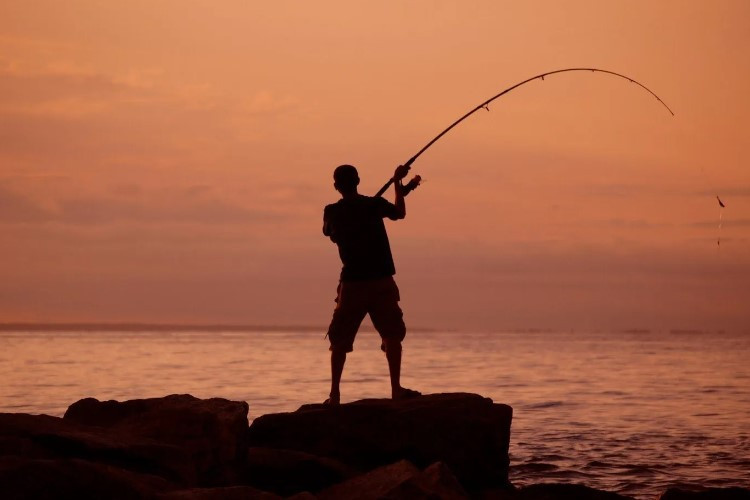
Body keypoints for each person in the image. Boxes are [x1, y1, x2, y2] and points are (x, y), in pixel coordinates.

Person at [322, 164, 421, 405]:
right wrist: (397, 183)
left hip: (352, 283)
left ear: (336, 186)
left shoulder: (332, 211)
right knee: (392, 335)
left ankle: (334, 395)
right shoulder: (374, 205)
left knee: (339, 341)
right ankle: (396, 389)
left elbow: (328, 232)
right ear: (358, 180)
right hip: (380, 281)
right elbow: (399, 212)